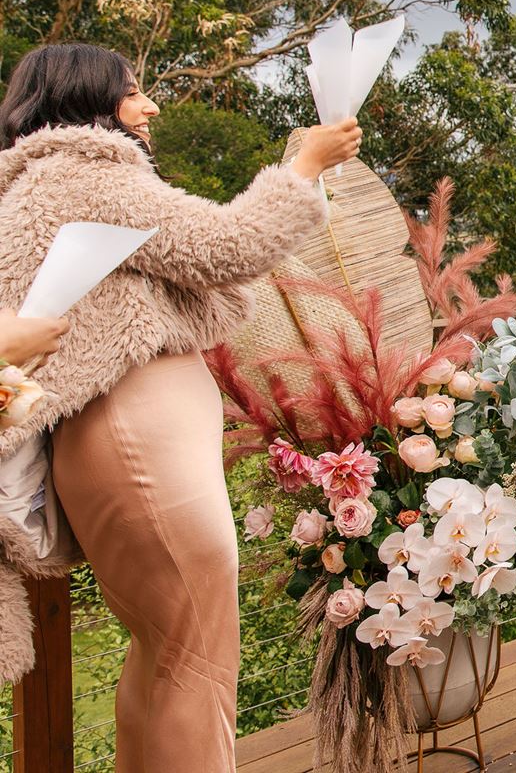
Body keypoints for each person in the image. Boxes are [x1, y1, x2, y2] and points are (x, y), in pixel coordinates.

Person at [0, 41, 360, 772]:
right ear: (85, 101)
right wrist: (306, 166)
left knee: (167, 655)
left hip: (125, 447)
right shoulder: (84, 175)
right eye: (132, 91)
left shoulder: (39, 185)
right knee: (195, 658)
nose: (150, 105)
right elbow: (227, 244)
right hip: (137, 448)